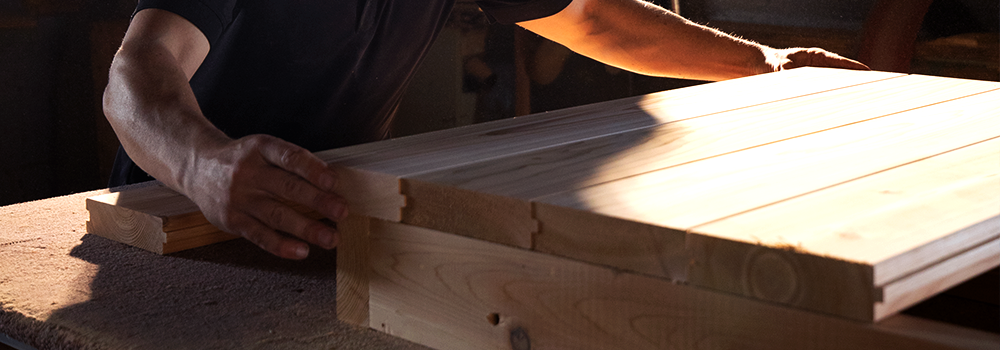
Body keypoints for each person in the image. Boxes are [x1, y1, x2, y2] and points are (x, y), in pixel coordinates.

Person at [103, 0, 869, 260]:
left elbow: (592, 18)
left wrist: (764, 64)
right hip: (176, 221)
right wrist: (204, 167)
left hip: (330, 219)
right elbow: (135, 74)